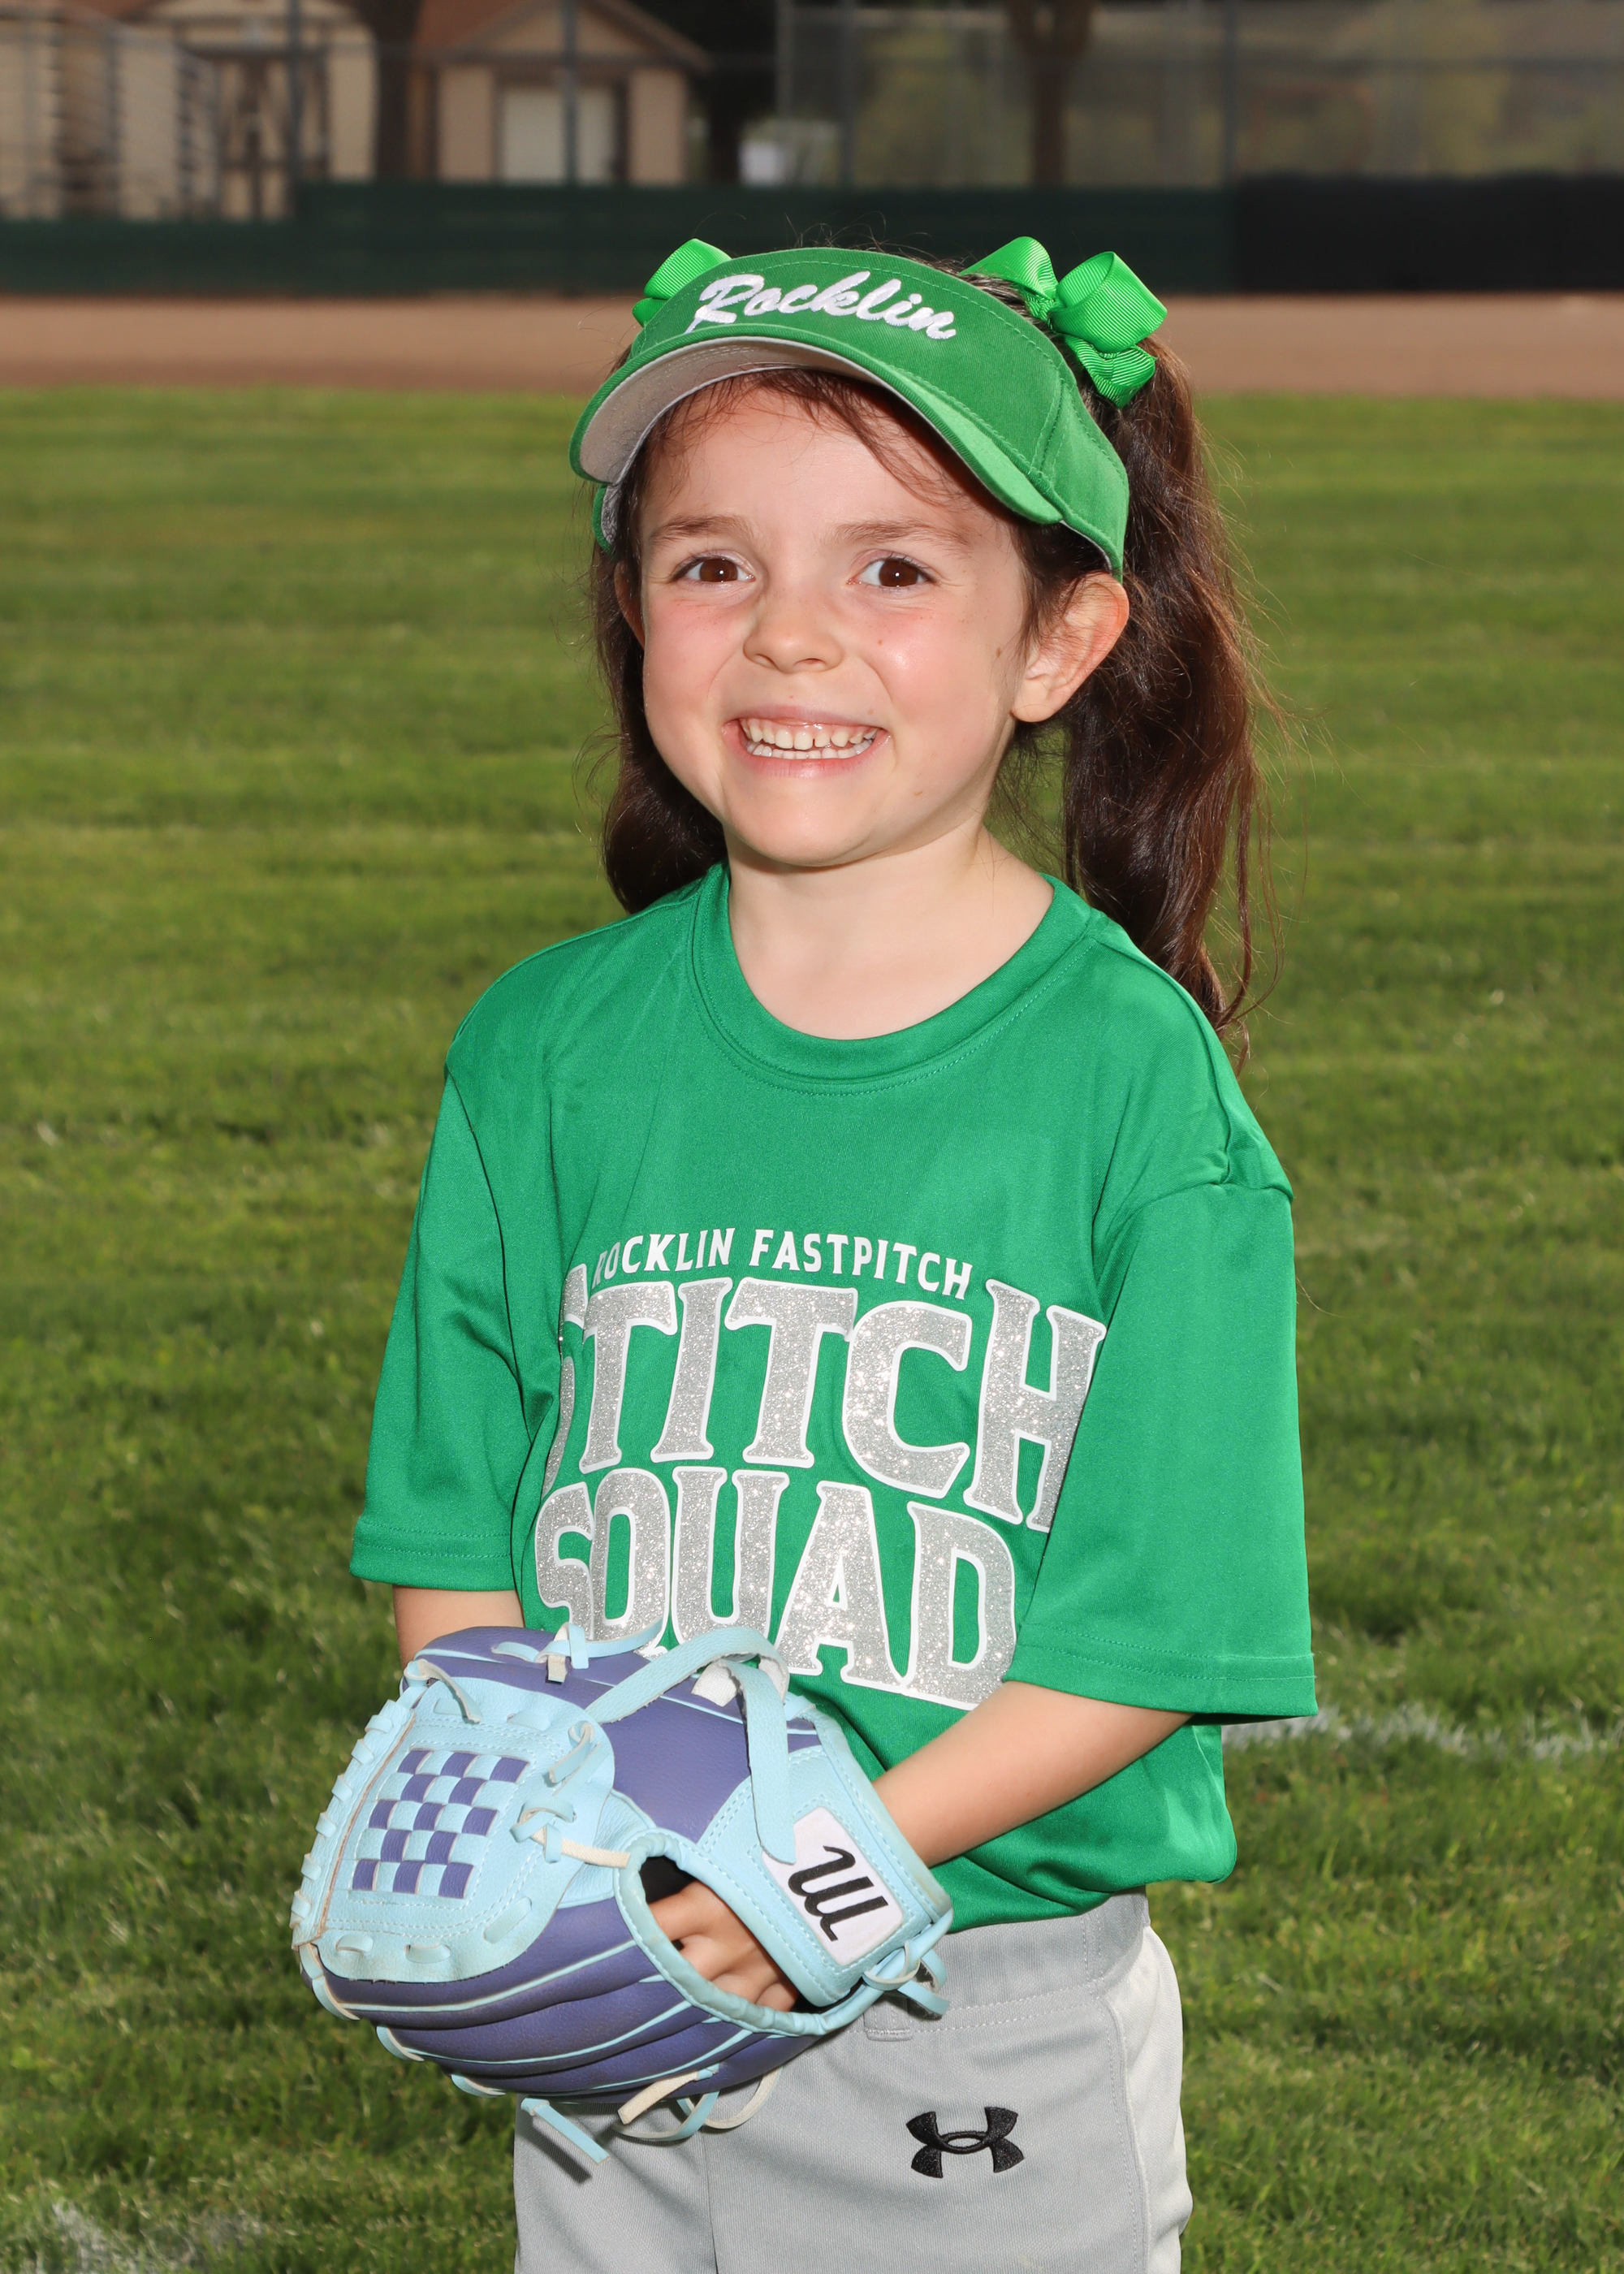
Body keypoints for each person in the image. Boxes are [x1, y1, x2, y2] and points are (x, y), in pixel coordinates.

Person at [350, 237, 1316, 2272]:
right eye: (714, 563)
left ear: (1059, 636)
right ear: (633, 608)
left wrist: (828, 1859)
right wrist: (521, 1801)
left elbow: (1154, 1628)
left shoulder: (1130, 1088)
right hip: (626, 1961)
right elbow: (455, 1506)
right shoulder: (543, 1048)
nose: (791, 634)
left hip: (975, 1994)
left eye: (892, 570)